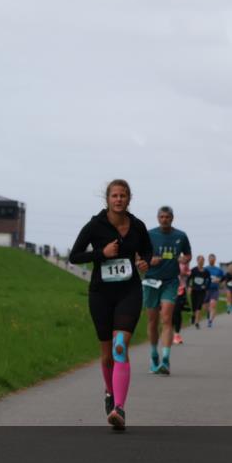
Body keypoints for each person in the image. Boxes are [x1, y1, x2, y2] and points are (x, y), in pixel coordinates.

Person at [69, 179, 152, 431]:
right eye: (114, 195)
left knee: (119, 347)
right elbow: (74, 256)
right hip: (101, 294)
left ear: (129, 199)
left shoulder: (138, 226)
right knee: (106, 356)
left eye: (123, 196)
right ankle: (109, 392)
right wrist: (101, 254)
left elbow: (148, 250)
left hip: (129, 291)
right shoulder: (95, 226)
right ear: (107, 199)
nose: (119, 199)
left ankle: (119, 408)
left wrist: (144, 263)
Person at [142, 206, 193, 375]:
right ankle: (154, 354)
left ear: (172, 218)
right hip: (151, 281)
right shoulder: (150, 235)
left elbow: (188, 254)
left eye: (167, 217)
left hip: (170, 281)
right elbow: (138, 255)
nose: (164, 219)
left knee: (166, 318)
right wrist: (149, 260)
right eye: (162, 217)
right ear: (158, 218)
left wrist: (184, 259)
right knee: (152, 320)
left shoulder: (180, 236)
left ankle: (165, 359)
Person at [188, 255, 210, 329]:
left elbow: (209, 281)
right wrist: (189, 287)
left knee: (199, 305)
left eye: (202, 260)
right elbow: (189, 279)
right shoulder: (194, 270)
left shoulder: (206, 271)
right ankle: (193, 316)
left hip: (202, 291)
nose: (201, 262)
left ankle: (197, 322)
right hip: (194, 290)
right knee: (194, 306)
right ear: (197, 261)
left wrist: (206, 287)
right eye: (200, 260)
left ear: (204, 262)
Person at [204, 254, 224, 327]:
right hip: (206, 290)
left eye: (213, 259)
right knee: (205, 306)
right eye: (210, 259)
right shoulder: (205, 269)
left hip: (214, 290)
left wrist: (219, 280)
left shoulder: (218, 270)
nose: (211, 260)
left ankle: (210, 321)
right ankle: (209, 314)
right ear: (208, 260)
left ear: (215, 260)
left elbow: (223, 278)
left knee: (212, 304)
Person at [173, 260, 190, 344]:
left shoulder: (182, 263)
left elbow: (188, 272)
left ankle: (177, 334)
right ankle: (168, 332)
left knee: (177, 312)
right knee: (168, 313)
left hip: (180, 291)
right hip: (167, 290)